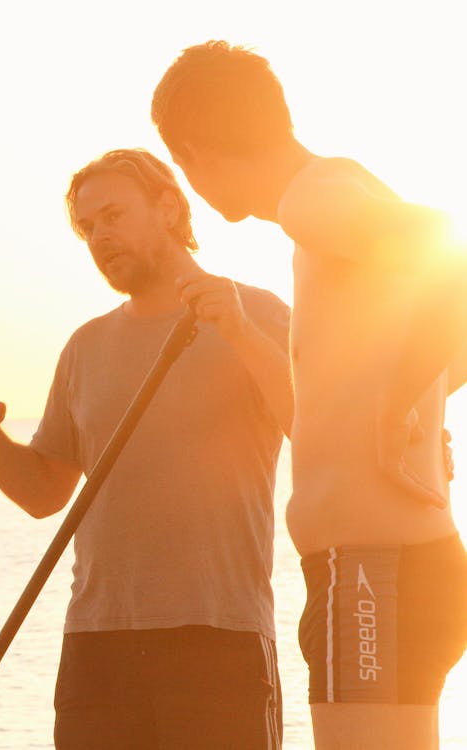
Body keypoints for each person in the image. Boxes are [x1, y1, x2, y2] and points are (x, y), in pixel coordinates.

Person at [152, 41, 467, 750]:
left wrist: (403, 399)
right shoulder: (339, 190)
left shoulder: (311, 200)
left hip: (370, 572)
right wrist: (418, 394)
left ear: (195, 150)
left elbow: (451, 252)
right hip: (393, 569)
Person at [0, 148, 292, 749]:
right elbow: (44, 493)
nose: (99, 237)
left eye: (113, 216)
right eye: (88, 228)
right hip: (98, 644)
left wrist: (239, 331)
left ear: (168, 208)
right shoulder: (86, 347)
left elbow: (309, 423)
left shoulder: (256, 312)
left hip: (217, 637)